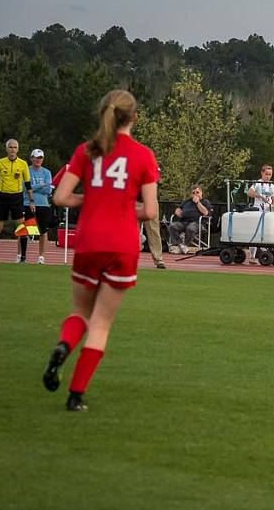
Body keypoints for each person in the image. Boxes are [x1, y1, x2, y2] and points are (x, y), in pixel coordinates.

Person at [43, 89, 159, 412]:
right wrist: (119, 206)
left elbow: (60, 197)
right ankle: (75, 395)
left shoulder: (87, 151)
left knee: (80, 312)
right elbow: (149, 210)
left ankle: (64, 345)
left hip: (89, 240)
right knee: (102, 323)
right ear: (134, 118)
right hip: (122, 245)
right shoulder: (143, 156)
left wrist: (93, 201)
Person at [0, 139, 37, 263]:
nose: (12, 149)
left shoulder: (22, 164)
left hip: (17, 198)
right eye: (10, 147)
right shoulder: (0, 163)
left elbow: (28, 184)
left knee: (21, 227)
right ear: (6, 149)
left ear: (18, 149)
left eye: (15, 147)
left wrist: (32, 200)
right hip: (2, 197)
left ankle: (23, 257)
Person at [24, 149, 55, 264]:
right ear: (31, 158)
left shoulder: (47, 172)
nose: (38, 159)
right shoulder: (26, 170)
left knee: (43, 231)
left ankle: (41, 257)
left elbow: (48, 189)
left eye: (40, 157)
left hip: (43, 204)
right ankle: (21, 255)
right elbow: (24, 188)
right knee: (25, 230)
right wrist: (39, 185)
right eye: (36, 157)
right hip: (27, 203)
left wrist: (32, 187)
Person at [168, 184, 213, 254]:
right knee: (172, 226)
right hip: (184, 222)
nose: (195, 194)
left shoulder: (205, 202)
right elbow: (178, 208)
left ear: (201, 193)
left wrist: (198, 202)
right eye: (193, 193)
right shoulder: (187, 202)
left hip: (198, 223)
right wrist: (177, 211)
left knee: (190, 228)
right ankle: (180, 245)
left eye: (197, 192)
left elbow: (206, 213)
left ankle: (185, 245)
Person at [247, 164, 274, 262]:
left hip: (268, 211)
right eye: (267, 174)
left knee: (267, 231)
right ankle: (252, 256)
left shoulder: (272, 186)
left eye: (270, 175)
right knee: (255, 232)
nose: (268, 176)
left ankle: (266, 250)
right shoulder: (257, 183)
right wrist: (259, 196)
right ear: (262, 173)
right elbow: (249, 192)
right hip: (258, 210)